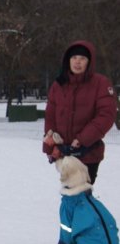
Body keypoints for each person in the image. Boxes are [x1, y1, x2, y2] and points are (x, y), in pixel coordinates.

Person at [42, 40, 117, 184]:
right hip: (63, 153)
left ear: (89, 62)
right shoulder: (59, 85)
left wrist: (82, 139)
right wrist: (50, 143)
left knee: (80, 195)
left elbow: (106, 115)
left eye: (82, 58)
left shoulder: (100, 83)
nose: (77, 62)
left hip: (88, 153)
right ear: (68, 61)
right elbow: (51, 116)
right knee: (69, 194)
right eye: (74, 58)